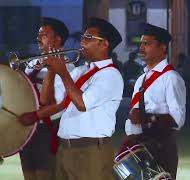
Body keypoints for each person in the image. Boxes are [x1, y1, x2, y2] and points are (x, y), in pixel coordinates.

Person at [19, 17, 123, 180]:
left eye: (88, 38)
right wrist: (52, 70)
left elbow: (82, 103)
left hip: (90, 149)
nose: (82, 41)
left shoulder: (110, 75)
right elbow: (48, 101)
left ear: (104, 44)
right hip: (66, 149)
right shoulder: (81, 71)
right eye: (82, 37)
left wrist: (62, 72)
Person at [122, 23, 186, 179]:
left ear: (162, 48)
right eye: (141, 44)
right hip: (138, 145)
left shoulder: (171, 78)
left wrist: (147, 119)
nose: (141, 48)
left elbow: (178, 119)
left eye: (147, 44)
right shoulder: (141, 79)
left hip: (160, 146)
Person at [18, 17, 73, 180]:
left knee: (46, 175)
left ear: (58, 39)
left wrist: (51, 70)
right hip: (28, 128)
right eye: (38, 34)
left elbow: (50, 102)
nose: (38, 38)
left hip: (48, 130)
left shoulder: (68, 66)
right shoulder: (33, 62)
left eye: (44, 34)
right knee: (29, 174)